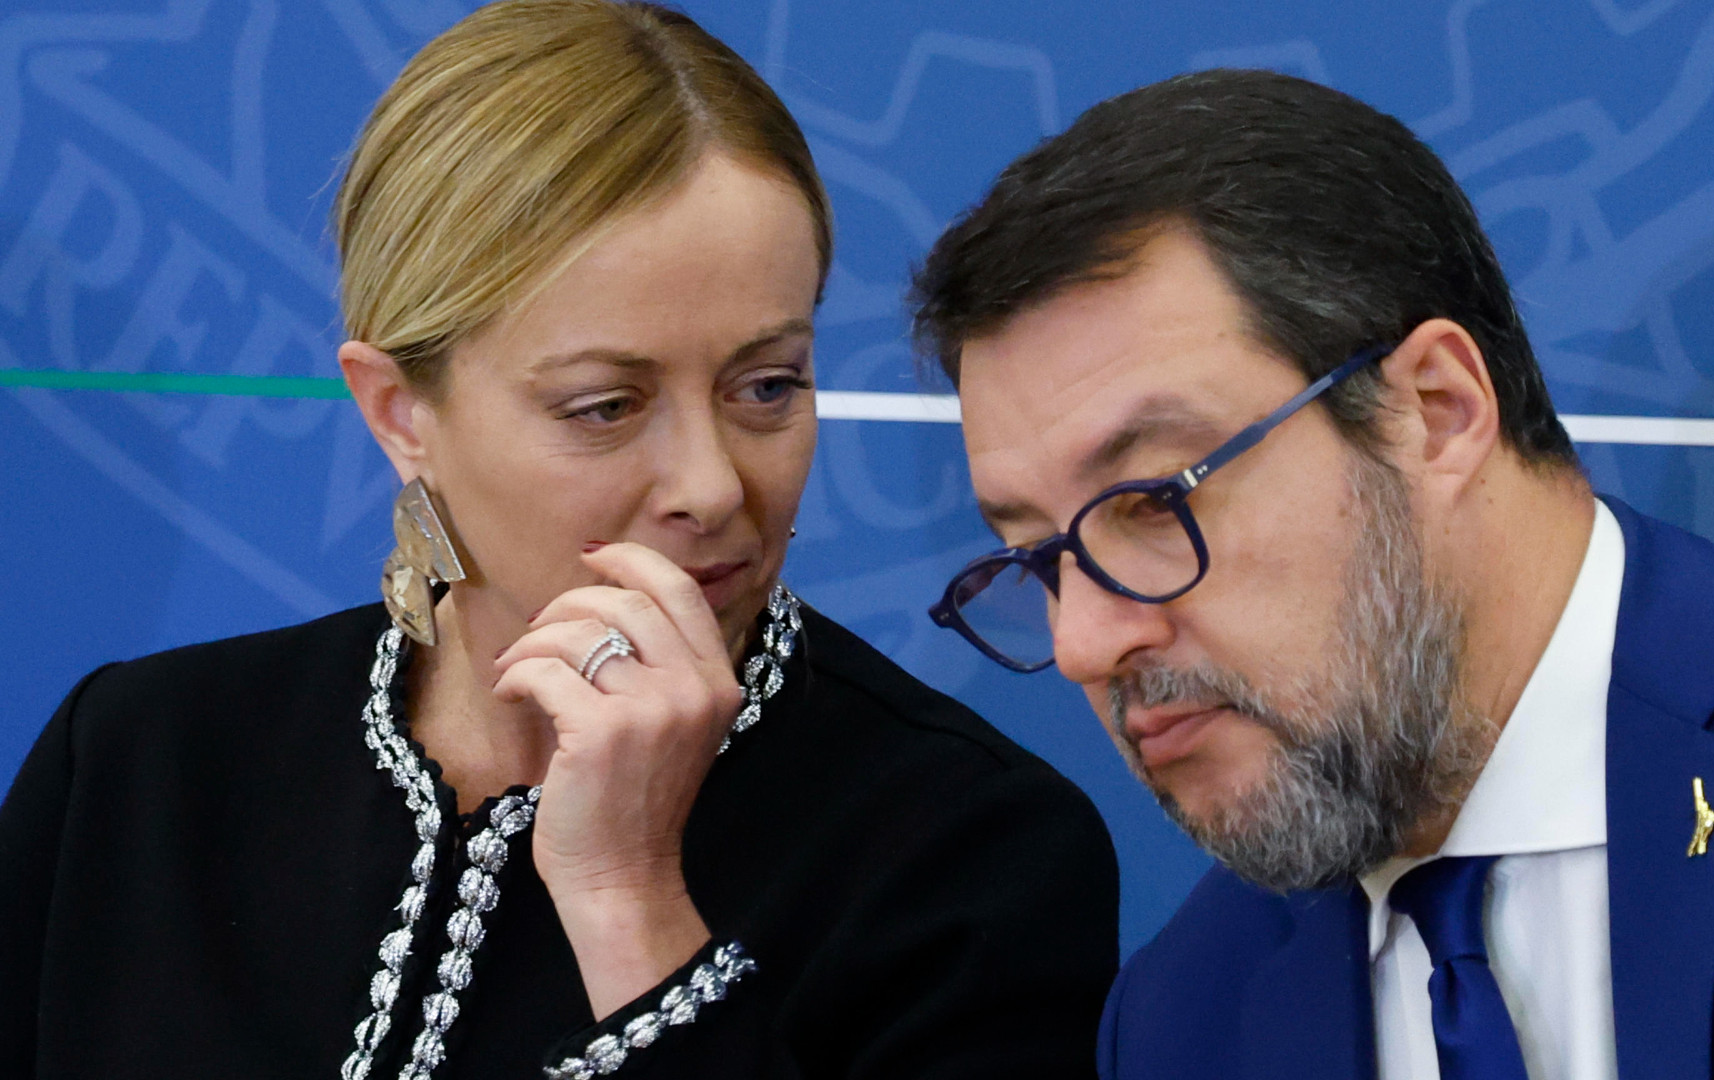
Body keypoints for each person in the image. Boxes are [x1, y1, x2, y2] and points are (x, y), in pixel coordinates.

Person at [0, 3, 1120, 1077]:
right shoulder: (142, 763)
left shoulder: (970, 852)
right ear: (400, 413)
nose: (710, 486)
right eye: (605, 406)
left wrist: (629, 900)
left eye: (768, 386)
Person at [911, 68, 1714, 1080]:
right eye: (1039, 562)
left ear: (1435, 411)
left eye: (1152, 505)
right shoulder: (1181, 1024)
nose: (1084, 644)